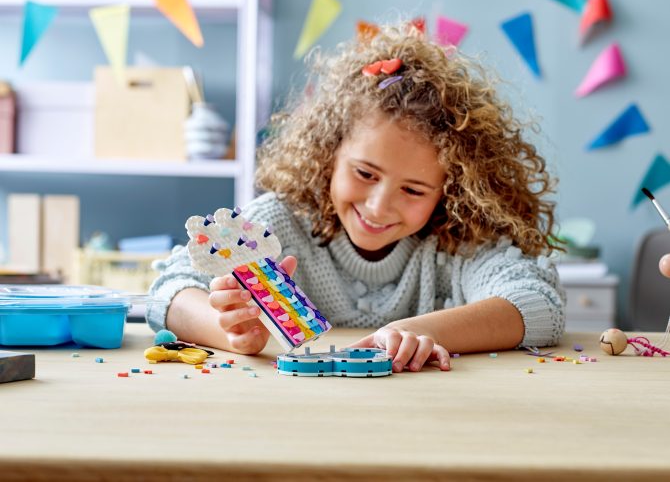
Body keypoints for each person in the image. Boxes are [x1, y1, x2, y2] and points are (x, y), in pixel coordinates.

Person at [148, 24, 565, 373]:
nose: (379, 206)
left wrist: (418, 330)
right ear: (329, 154)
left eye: (414, 190)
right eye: (365, 173)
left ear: (451, 189)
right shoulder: (281, 222)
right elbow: (170, 290)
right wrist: (232, 332)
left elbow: (539, 304)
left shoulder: (459, 245)